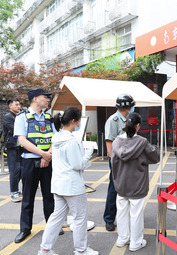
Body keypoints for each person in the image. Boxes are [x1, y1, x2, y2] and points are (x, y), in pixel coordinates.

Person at [38, 107, 98, 255]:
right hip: (72, 185)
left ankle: (45, 250)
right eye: (78, 120)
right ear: (73, 121)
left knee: (56, 218)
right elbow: (78, 165)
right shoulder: (71, 140)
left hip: (58, 184)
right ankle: (81, 250)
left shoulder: (56, 137)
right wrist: (89, 152)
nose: (79, 123)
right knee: (79, 218)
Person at [13, 88, 56, 243]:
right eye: (46, 97)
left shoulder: (49, 118)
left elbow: (54, 139)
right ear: (36, 99)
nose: (48, 99)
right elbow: (22, 140)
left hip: (48, 161)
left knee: (49, 197)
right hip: (30, 162)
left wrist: (48, 155)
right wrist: (43, 154)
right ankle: (25, 229)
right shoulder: (22, 117)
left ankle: (52, 227)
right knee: (28, 197)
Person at [112, 112, 159, 251]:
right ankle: (135, 242)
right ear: (138, 125)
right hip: (137, 184)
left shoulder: (116, 142)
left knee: (121, 213)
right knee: (136, 214)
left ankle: (122, 239)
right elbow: (155, 157)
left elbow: (113, 161)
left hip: (120, 183)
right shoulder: (142, 142)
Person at [103, 93, 135, 231]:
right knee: (114, 189)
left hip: (128, 160)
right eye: (131, 106)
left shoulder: (129, 120)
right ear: (126, 107)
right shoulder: (113, 120)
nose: (132, 108)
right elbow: (109, 142)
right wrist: (113, 159)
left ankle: (125, 216)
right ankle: (109, 219)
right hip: (117, 160)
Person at [3, 97, 22, 202]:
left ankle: (16, 189)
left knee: (20, 170)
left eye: (19, 104)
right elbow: (16, 130)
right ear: (10, 106)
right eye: (16, 104)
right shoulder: (8, 117)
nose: (18, 106)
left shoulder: (19, 116)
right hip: (12, 147)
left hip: (21, 147)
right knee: (14, 170)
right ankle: (13, 192)